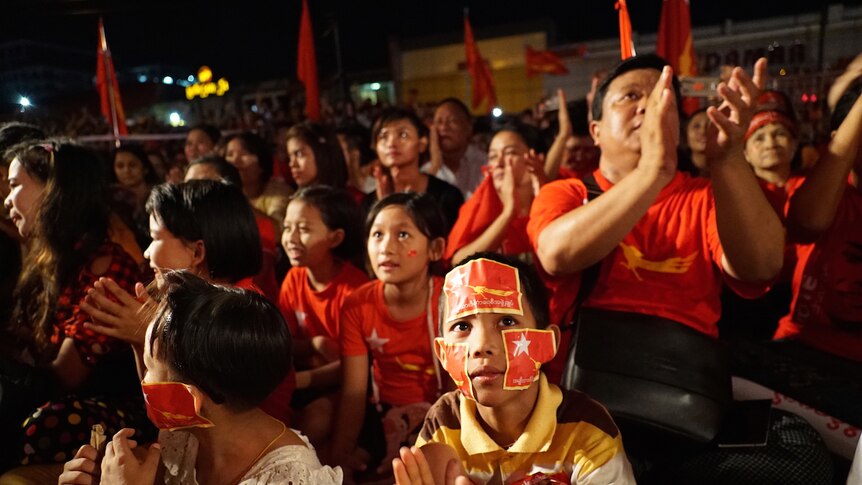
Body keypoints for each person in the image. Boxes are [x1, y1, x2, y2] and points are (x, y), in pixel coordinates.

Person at [528, 55, 830, 483]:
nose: (648, 107)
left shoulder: (705, 195)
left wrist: (727, 160)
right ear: (595, 131)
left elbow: (762, 267)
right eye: (631, 96)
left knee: (803, 455)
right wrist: (653, 171)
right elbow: (557, 253)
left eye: (661, 97)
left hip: (690, 412)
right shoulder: (569, 192)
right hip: (585, 417)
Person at [59, 271, 342, 485]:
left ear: (190, 397)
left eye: (150, 366)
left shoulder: (291, 478)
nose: (145, 382)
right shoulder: (182, 437)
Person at [393, 253, 634, 484]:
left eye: (507, 322)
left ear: (547, 342)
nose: (481, 346)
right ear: (443, 353)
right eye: (463, 326)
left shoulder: (587, 427)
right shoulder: (445, 421)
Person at [1, 141, 147, 470]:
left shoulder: (106, 267)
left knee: (48, 422)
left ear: (55, 190)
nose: (7, 199)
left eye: (15, 186)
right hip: (57, 393)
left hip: (109, 411)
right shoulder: (55, 255)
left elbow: (66, 376)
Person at [331, 192, 447, 482]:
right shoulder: (358, 304)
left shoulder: (451, 299)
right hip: (382, 415)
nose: (386, 247)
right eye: (377, 234)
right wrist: (340, 456)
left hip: (442, 413)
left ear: (435, 249)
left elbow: (464, 390)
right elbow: (355, 391)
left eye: (403, 234)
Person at [278, 185, 368, 444]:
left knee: (315, 420)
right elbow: (285, 341)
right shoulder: (294, 277)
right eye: (287, 227)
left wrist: (301, 380)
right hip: (301, 380)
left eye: (304, 230)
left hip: (345, 388)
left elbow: (357, 370)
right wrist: (312, 346)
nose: (291, 238)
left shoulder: (355, 290)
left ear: (336, 238)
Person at [445, 122, 548, 265]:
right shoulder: (481, 202)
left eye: (509, 153)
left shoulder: (554, 196)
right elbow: (457, 263)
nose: (498, 163)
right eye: (493, 156)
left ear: (535, 157)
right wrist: (508, 213)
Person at [184, 155, 280, 303]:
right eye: (188, 185)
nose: (193, 192)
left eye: (203, 184)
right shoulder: (187, 230)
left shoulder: (259, 228)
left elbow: (248, 292)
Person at [363, 108, 464, 235]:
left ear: (422, 143)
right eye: (383, 136)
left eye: (403, 135)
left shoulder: (446, 197)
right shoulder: (370, 203)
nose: (391, 143)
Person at [286, 122, 365, 204]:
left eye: (299, 154)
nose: (292, 164)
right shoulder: (297, 202)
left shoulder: (354, 201)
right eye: (289, 157)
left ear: (321, 153)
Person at [225, 132, 293, 226]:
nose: (235, 161)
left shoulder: (280, 193)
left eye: (244, 154)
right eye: (229, 154)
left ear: (262, 164)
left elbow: (276, 231)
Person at [425, 98, 487, 198]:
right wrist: (435, 165)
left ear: (468, 127)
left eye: (452, 121)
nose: (444, 127)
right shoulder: (426, 172)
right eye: (439, 122)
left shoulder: (486, 165)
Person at [111, 144, 161, 249]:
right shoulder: (111, 199)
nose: (126, 171)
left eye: (132, 165)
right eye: (120, 166)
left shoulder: (159, 195)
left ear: (145, 168)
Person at [683, 108, 709, 177]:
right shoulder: (675, 175)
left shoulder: (734, 174)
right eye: (696, 126)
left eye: (710, 126)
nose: (703, 131)